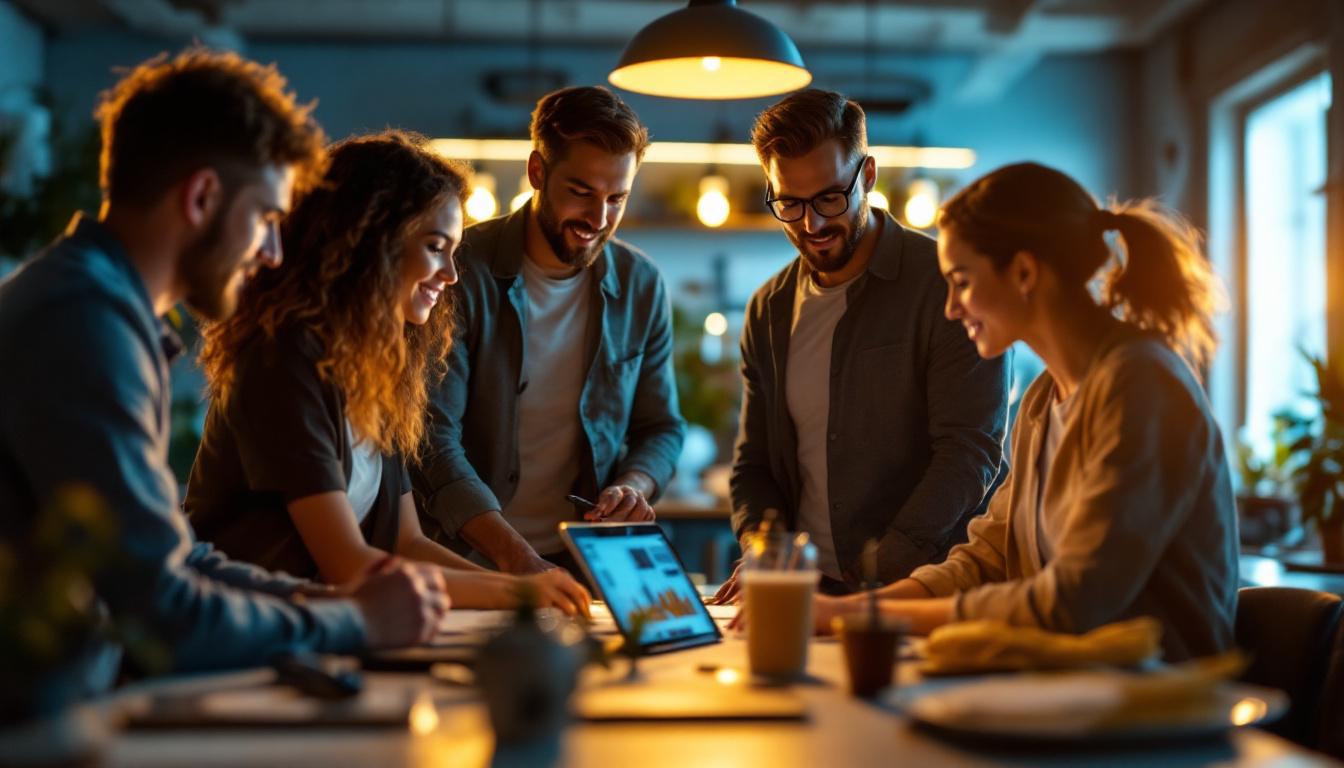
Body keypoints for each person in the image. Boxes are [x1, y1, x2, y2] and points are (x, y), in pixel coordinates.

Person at [0, 51, 449, 697]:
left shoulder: (100, 307)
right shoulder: (82, 322)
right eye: (267, 218)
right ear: (203, 197)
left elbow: (181, 556)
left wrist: (326, 601)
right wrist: (353, 619)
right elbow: (164, 613)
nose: (271, 253)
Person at [813, 162, 1238, 662]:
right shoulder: (1044, 397)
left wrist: (859, 618)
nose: (951, 307)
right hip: (1077, 690)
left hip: (1161, 708)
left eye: (962, 282)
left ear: (1023, 272)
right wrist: (855, 606)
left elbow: (1074, 600)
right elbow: (988, 556)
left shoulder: (1141, 386)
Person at [186, 131, 590, 615]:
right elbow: (349, 565)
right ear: (369, 242)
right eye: (436, 246)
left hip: (320, 629)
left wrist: (528, 587)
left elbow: (406, 543)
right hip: (244, 633)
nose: (451, 274)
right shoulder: (284, 358)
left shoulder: (377, 369)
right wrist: (516, 593)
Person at [717, 90, 1008, 599]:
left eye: (830, 197)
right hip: (807, 590)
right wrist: (765, 552)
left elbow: (969, 453)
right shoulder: (768, 309)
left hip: (923, 589)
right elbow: (754, 463)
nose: (812, 224)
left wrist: (872, 572)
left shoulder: (945, 285)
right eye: (789, 202)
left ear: (867, 175)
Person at [413, 86, 685, 576]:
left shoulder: (641, 284)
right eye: (581, 192)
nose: (598, 219)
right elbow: (432, 437)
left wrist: (636, 485)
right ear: (538, 171)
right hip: (468, 556)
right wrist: (522, 563)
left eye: (616, 198)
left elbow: (661, 427)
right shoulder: (460, 270)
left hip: (588, 562)